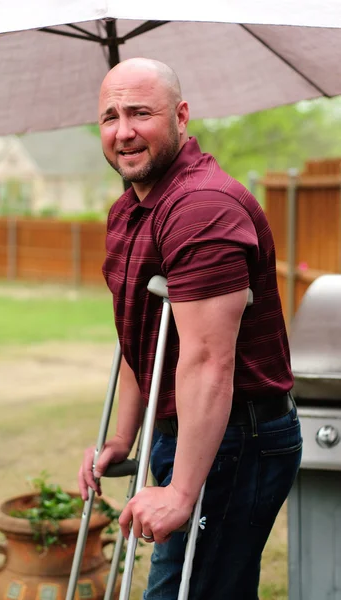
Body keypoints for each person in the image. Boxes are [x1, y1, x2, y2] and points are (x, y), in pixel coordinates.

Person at [79, 57, 302, 599]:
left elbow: (208, 359)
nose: (123, 131)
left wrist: (181, 491)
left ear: (181, 116)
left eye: (139, 113)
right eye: (109, 116)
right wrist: (120, 437)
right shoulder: (131, 210)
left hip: (236, 438)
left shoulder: (202, 207)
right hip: (187, 430)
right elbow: (144, 337)